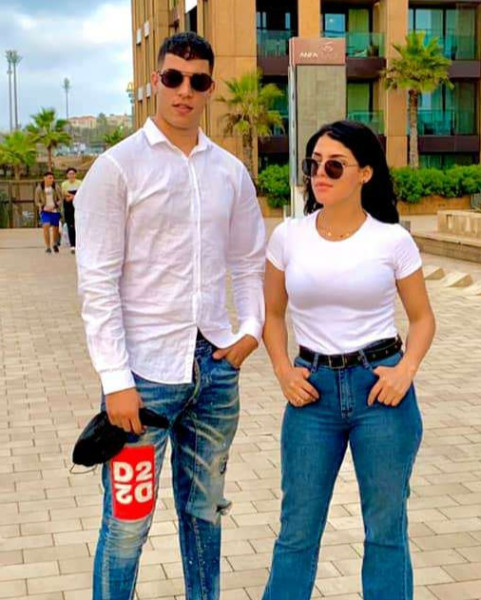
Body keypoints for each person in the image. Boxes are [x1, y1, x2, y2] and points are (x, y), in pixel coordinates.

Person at [75, 32, 265, 600]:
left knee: (205, 514)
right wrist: (116, 380)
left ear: (210, 87)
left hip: (215, 371)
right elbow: (97, 283)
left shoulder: (229, 172)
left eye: (197, 80)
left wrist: (250, 330)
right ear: (155, 81)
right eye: (174, 77)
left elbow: (248, 261)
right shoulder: (117, 168)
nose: (185, 90)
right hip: (143, 380)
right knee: (127, 524)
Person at [261, 121, 436, 600]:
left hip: (379, 392)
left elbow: (422, 319)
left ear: (365, 173)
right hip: (311, 393)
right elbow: (272, 315)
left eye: (334, 166)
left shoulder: (392, 240)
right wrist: (283, 371)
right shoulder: (288, 237)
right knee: (297, 530)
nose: (320, 174)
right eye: (314, 164)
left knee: (385, 530)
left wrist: (405, 371)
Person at [35, 171, 63, 253]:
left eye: (52, 178)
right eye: (49, 178)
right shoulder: (39, 188)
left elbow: (61, 199)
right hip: (45, 211)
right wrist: (41, 206)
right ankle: (48, 246)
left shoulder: (56, 187)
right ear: (45, 178)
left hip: (54, 210)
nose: (51, 180)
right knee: (46, 226)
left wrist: (56, 205)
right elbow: (37, 201)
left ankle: (54, 243)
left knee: (55, 228)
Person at [61, 167, 82, 253]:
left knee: (78, 225)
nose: (71, 175)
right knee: (70, 225)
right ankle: (72, 245)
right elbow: (65, 194)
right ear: (67, 175)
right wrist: (72, 196)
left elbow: (81, 192)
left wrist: (74, 197)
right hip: (68, 206)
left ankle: (79, 244)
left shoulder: (79, 183)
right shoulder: (64, 184)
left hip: (78, 205)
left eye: (73, 173)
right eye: (70, 174)